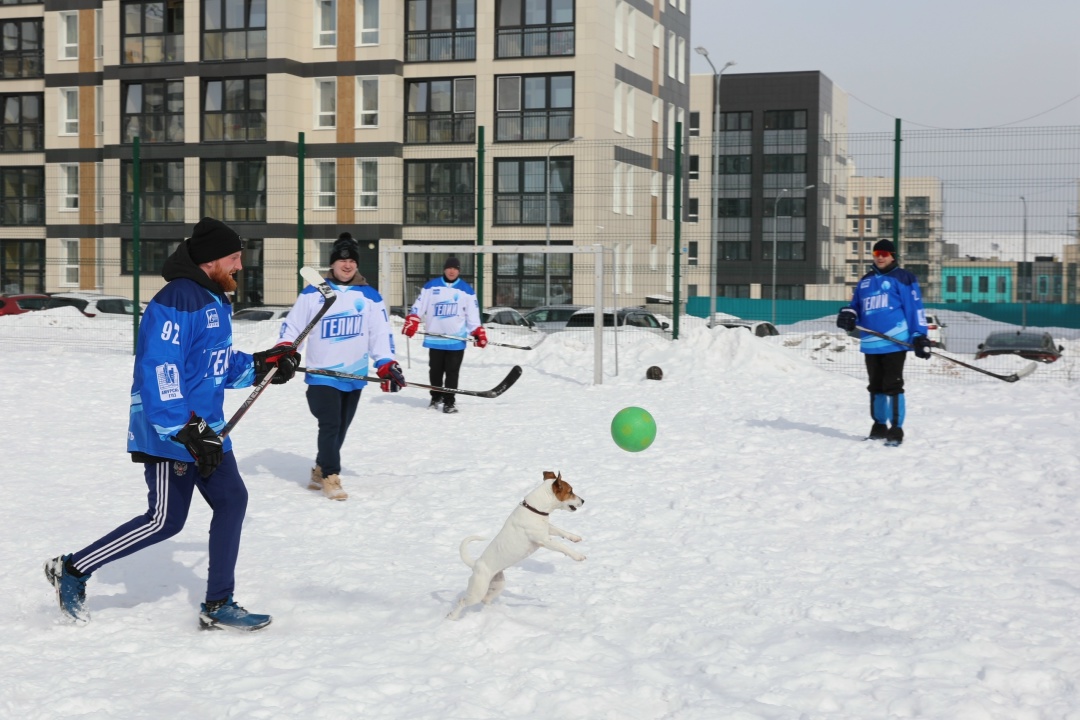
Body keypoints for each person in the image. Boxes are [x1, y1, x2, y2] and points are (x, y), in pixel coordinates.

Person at [44, 217, 302, 631]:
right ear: (211, 260)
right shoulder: (177, 299)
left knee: (232, 501)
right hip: (172, 431)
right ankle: (73, 568)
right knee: (165, 519)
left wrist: (261, 365)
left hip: (207, 428)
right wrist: (183, 428)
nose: (240, 265)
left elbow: (215, 365)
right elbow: (160, 368)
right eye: (234, 257)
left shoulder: (214, 299)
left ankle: (218, 603)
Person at [278, 232, 405, 501]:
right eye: (342, 260)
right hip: (322, 374)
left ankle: (320, 468)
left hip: (353, 375)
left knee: (340, 428)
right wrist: (285, 352)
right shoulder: (314, 293)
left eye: (352, 261)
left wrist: (385, 362)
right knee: (331, 424)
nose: (347, 265)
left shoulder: (370, 296)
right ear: (333, 263)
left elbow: (379, 333)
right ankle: (331, 477)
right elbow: (294, 326)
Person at [836, 238, 931, 445]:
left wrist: (920, 336)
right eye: (877, 253)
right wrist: (849, 314)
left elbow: (915, 309)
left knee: (892, 385)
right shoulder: (865, 281)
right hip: (871, 343)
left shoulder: (904, 278)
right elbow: (857, 306)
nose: (880, 257)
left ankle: (896, 429)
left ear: (893, 256)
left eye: (884, 254)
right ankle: (879, 426)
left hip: (895, 342)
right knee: (875, 385)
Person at [402, 256, 486, 414]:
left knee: (452, 372)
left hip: (456, 340)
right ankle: (436, 396)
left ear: (459, 271)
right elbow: (419, 306)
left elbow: (472, 315)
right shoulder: (431, 286)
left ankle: (449, 401)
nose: (452, 271)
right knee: (435, 371)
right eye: (449, 268)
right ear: (444, 269)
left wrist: (477, 331)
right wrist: (413, 319)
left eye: (455, 268)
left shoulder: (466, 290)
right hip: (435, 338)